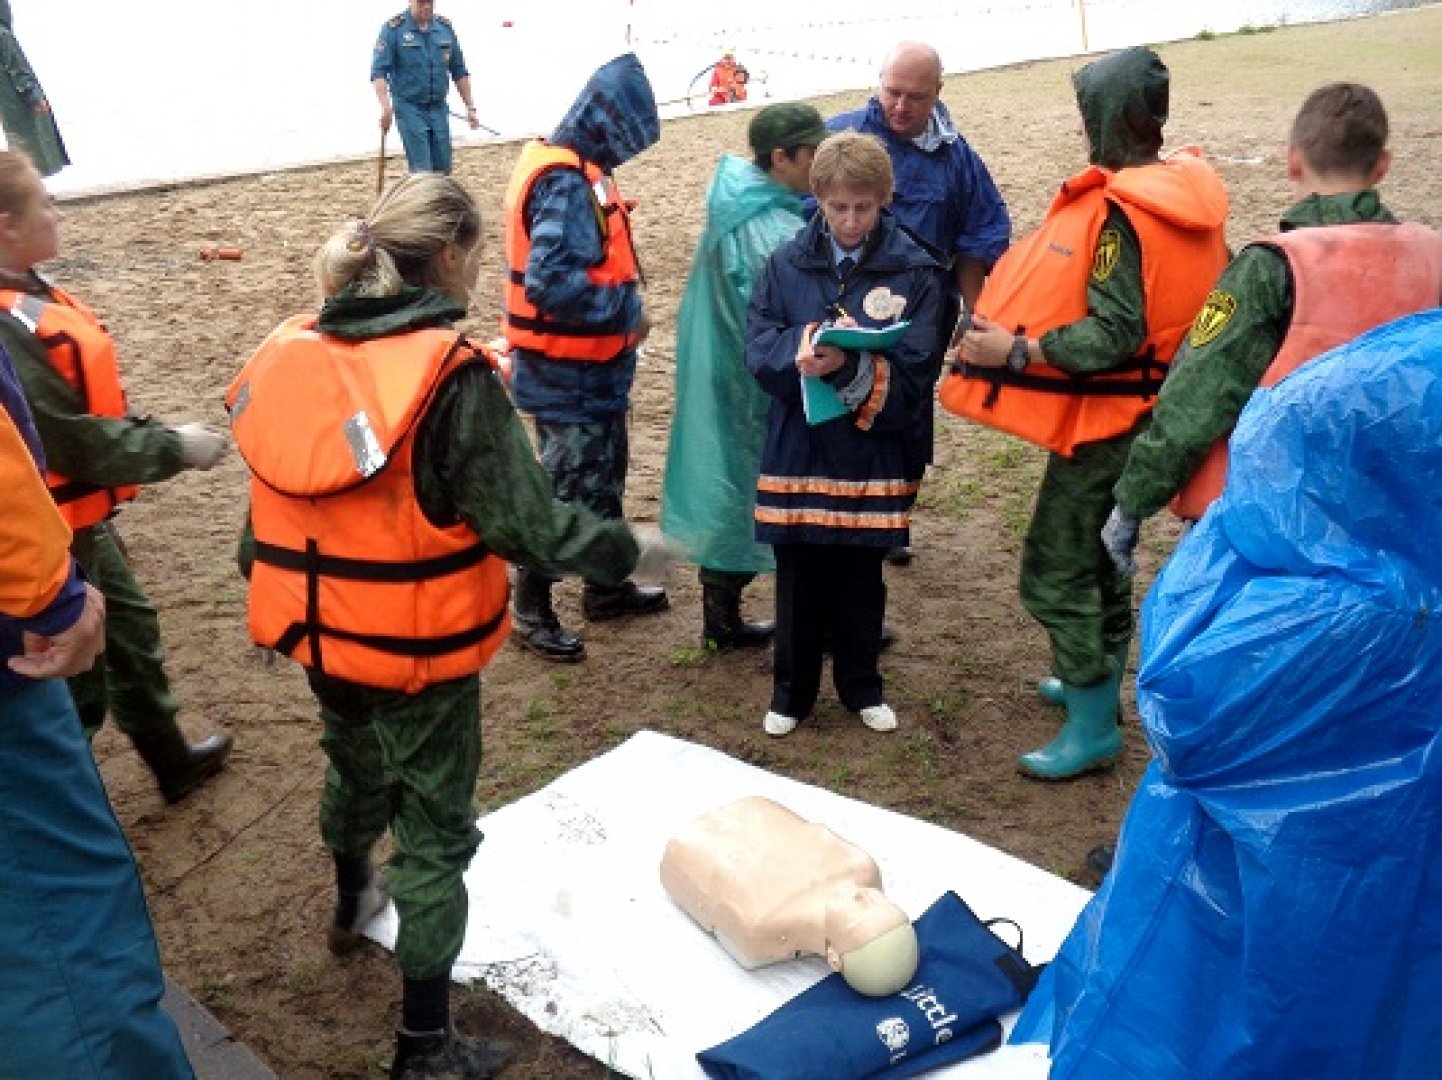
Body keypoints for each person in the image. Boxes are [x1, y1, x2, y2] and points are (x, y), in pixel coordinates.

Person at [229, 172, 661, 1079]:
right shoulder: (452, 380)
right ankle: (424, 1045)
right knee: (433, 833)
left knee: (353, 763)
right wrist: (630, 551)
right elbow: (528, 528)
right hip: (414, 653)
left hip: (318, 633)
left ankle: (351, 903)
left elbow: (261, 521)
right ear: (455, 254)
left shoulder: (294, 351)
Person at [941, 47, 1229, 780]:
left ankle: (1094, 720)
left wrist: (1015, 351)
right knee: (1108, 553)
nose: (1080, 129)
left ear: (1109, 119)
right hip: (1155, 411)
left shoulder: (1125, 215)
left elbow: (1114, 333)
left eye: (1085, 114)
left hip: (1110, 423)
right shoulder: (1188, 196)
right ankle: (1090, 679)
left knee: (1058, 565)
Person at [1103, 82, 1442, 572]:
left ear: (1292, 161)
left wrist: (1132, 503)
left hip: (1282, 522)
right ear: (1382, 166)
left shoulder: (1270, 268)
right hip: (1403, 517)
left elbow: (1200, 393)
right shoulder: (1432, 256)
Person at [0, 150, 235, 805]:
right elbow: (68, 438)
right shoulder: (6, 324)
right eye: (44, 203)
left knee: (129, 631)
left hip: (83, 521)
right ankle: (66, 811)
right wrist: (173, 447)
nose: (56, 213)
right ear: (6, 227)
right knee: (70, 680)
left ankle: (171, 760)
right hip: (48, 536)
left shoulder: (29, 292)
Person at [0, 337, 193, 1078]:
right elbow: (70, 435)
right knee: (63, 941)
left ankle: (170, 754)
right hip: (12, 666)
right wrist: (50, 595)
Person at [745, 130, 947, 738]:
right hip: (799, 445)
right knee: (798, 574)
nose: (851, 221)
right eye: (838, 208)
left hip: (870, 449)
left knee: (862, 574)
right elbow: (758, 343)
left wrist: (850, 365)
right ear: (819, 200)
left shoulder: (917, 270)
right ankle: (791, 693)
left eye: (864, 207)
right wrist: (804, 348)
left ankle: (862, 685)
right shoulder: (784, 263)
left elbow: (918, 367)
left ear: (884, 199)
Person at [503, 53, 667, 663]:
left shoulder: (576, 165)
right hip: (565, 375)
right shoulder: (566, 184)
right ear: (606, 123)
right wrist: (626, 312)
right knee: (567, 489)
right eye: (627, 140)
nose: (627, 155)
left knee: (603, 475)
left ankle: (605, 587)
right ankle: (529, 609)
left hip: (589, 372)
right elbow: (549, 283)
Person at [827, 42, 1011, 566]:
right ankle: (842, 515)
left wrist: (975, 314)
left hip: (923, 316)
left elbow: (979, 239)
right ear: (878, 83)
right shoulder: (840, 138)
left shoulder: (957, 160)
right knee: (842, 409)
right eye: (892, 93)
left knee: (906, 414)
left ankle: (894, 517)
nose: (901, 107)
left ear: (938, 93)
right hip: (846, 310)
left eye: (916, 97)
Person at [660, 102, 828, 650]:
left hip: (726, 370)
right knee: (777, 489)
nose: (820, 163)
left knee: (733, 489)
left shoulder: (734, 202)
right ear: (782, 157)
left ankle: (721, 616)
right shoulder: (772, 228)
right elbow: (795, 311)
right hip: (759, 381)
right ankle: (802, 619)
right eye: (813, 153)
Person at [660, 796, 920, 996]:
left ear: (833, 957)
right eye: (880, 902)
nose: (864, 896)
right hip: (758, 812)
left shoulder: (761, 921)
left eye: (859, 914)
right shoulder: (863, 868)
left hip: (698, 843)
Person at [371, 0, 480, 175]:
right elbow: (378, 73)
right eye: (421, 2)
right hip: (409, 108)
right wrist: (386, 107)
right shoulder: (393, 30)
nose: (426, 6)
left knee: (443, 168)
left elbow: (459, 70)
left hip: (438, 108)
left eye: (430, 2)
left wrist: (470, 107)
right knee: (423, 170)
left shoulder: (444, 28)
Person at [0, 0, 67, 177]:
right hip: (17, 102)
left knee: (18, 145)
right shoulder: (3, 35)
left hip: (6, 105)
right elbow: (18, 70)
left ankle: (23, 185)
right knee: (33, 146)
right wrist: (35, 97)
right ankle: (30, 185)